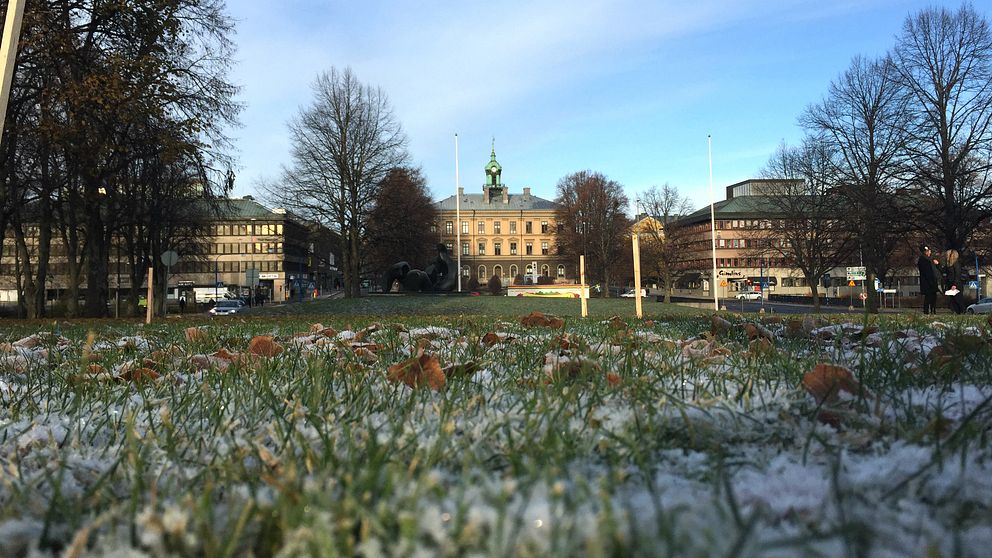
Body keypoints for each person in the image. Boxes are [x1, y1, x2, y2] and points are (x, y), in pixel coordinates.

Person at [942, 248, 966, 314]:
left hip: (956, 285)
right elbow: (943, 271)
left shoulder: (956, 264)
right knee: (953, 300)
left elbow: (957, 275)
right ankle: (958, 313)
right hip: (951, 284)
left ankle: (962, 313)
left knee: (958, 299)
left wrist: (954, 285)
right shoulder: (949, 265)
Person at [917, 244, 939, 314]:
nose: (929, 252)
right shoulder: (923, 260)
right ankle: (927, 311)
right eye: (928, 251)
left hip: (932, 282)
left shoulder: (930, 260)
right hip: (928, 283)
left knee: (933, 297)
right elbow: (927, 272)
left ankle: (932, 310)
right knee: (928, 298)